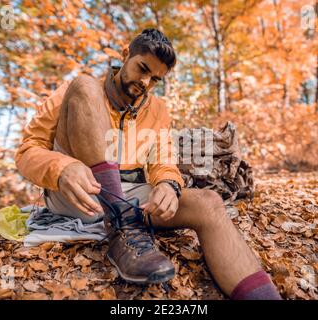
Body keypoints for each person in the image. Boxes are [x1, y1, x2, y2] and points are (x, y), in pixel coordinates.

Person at [15, 28, 281, 300]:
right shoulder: (74, 91)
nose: (145, 82)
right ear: (125, 55)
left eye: (155, 78)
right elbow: (27, 151)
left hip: (130, 196)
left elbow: (164, 160)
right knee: (84, 85)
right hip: (79, 192)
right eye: (142, 69)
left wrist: (168, 185)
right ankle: (121, 226)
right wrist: (61, 168)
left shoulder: (158, 110)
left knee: (210, 203)